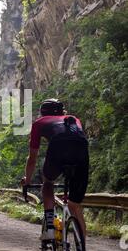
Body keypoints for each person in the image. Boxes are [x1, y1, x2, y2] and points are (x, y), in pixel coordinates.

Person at [22, 99, 89, 240]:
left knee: (47, 184)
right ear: (62, 111)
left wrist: (27, 180)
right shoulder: (74, 119)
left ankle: (50, 229)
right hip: (82, 150)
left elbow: (32, 158)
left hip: (58, 148)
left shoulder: (39, 123)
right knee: (74, 205)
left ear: (42, 113)